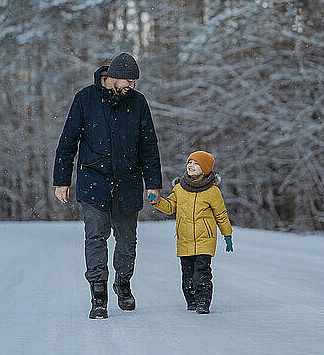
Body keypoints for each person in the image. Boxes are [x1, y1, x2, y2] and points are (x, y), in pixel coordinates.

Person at [53, 52, 162, 319]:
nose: (132, 87)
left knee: (127, 241)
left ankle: (123, 284)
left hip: (128, 183)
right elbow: (68, 142)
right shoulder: (85, 99)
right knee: (95, 238)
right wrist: (61, 180)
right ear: (111, 77)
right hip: (94, 181)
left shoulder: (137, 102)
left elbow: (149, 146)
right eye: (128, 81)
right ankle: (98, 295)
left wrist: (153, 184)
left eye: (134, 82)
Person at [148, 150, 233, 314]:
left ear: (206, 169)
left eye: (196, 163)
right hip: (185, 238)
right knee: (187, 273)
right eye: (189, 162)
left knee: (201, 271)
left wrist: (227, 235)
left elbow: (221, 215)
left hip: (205, 239)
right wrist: (157, 201)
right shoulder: (180, 188)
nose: (191, 166)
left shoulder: (212, 191)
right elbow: (171, 207)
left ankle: (203, 301)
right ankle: (191, 300)